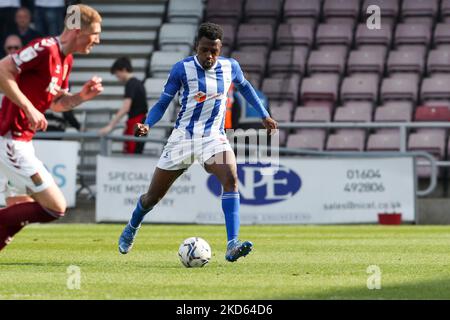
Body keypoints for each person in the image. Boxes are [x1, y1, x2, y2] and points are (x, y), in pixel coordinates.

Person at [118, 22, 278, 262]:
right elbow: (163, 102)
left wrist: (264, 114)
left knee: (231, 179)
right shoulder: (181, 69)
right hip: (183, 138)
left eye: (214, 50)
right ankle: (132, 226)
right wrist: (148, 123)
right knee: (152, 197)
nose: (209, 56)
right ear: (196, 47)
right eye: (204, 50)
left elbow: (246, 88)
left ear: (220, 48)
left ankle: (232, 243)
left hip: (213, 138)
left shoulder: (230, 67)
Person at [0, 4, 103, 252]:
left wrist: (81, 97)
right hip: (10, 139)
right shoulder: (44, 48)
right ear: (77, 30)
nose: (97, 41)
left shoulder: (66, 61)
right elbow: (3, 69)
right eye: (95, 34)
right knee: (55, 206)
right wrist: (28, 108)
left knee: (19, 205)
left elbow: (57, 105)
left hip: (23, 141)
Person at [99, 57, 148, 154]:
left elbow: (126, 107)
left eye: (117, 73)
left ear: (124, 69)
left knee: (132, 154)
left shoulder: (131, 84)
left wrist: (110, 126)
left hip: (136, 123)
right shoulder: (138, 83)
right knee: (137, 152)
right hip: (142, 122)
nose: (117, 77)